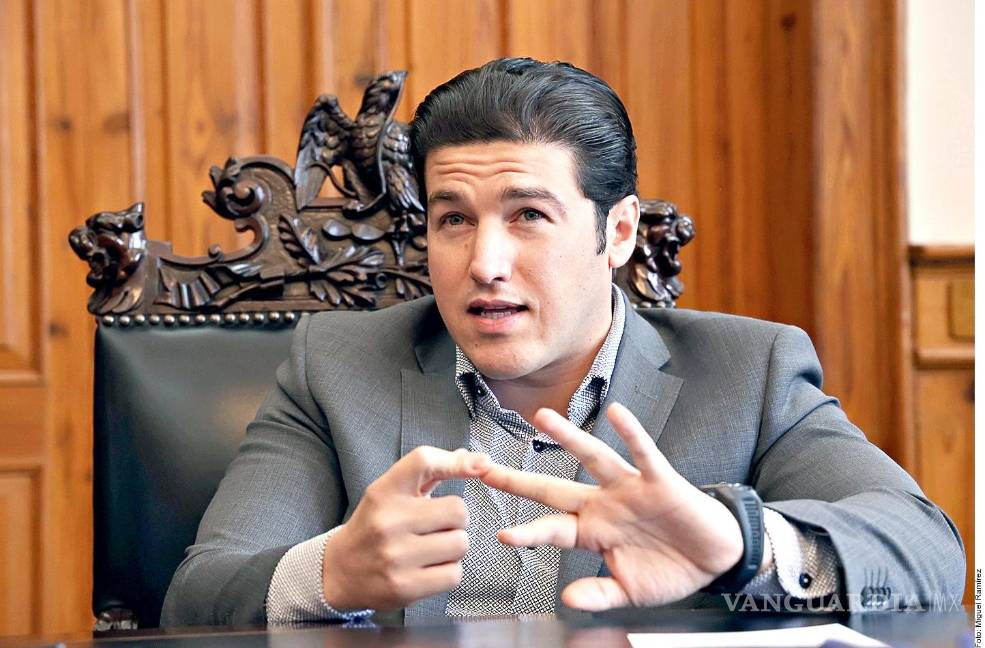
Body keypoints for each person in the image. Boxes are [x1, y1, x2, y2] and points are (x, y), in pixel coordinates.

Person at [161, 58, 964, 626]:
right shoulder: (335, 366)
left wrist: (742, 543)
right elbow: (197, 595)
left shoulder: (747, 373)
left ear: (617, 232)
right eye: (453, 219)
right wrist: (330, 575)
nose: (484, 263)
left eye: (528, 216)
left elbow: (926, 551)